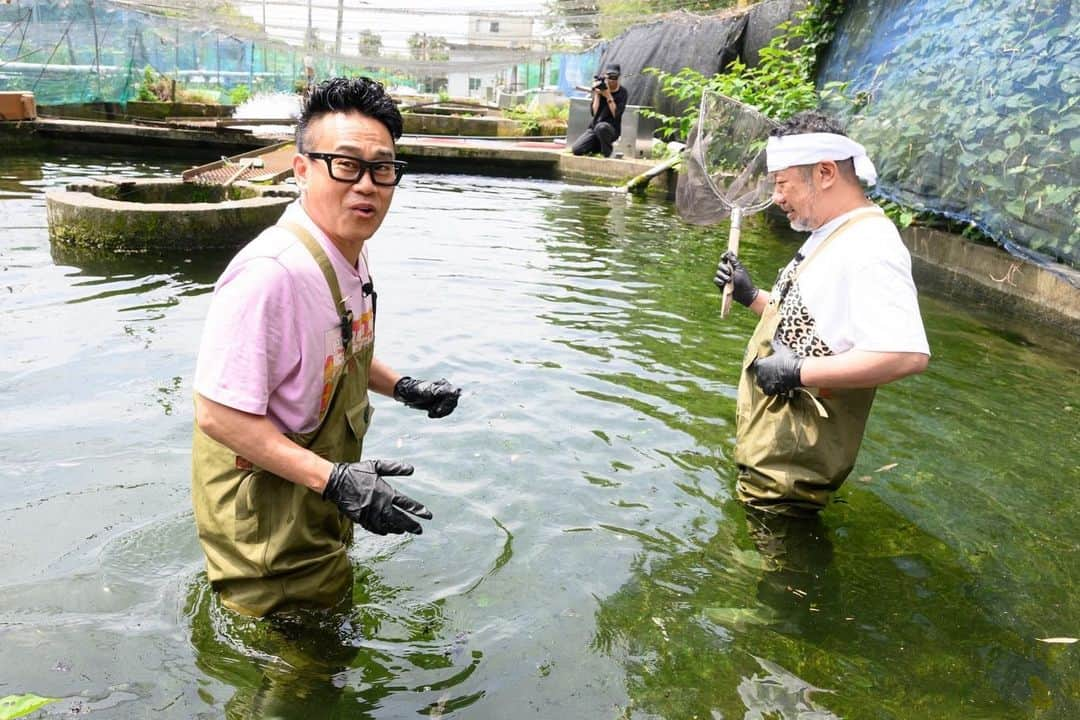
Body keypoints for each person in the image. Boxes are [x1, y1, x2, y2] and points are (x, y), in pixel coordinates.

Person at [191, 76, 462, 617]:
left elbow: (341, 351)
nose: (366, 185)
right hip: (269, 519)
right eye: (345, 164)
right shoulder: (271, 275)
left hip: (316, 497)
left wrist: (404, 388)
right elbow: (216, 414)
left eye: (382, 168)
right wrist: (336, 479)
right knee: (301, 676)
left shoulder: (347, 249)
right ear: (301, 170)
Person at [714, 110, 930, 516]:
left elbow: (906, 354)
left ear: (826, 172)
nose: (776, 197)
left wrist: (797, 374)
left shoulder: (871, 246)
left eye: (782, 184)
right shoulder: (830, 232)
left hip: (793, 471)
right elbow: (814, 327)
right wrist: (753, 296)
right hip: (774, 455)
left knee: (784, 568)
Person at [572, 63, 628, 158]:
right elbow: (594, 113)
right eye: (610, 77)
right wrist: (597, 95)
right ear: (605, 77)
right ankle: (598, 147)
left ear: (619, 77)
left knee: (601, 127)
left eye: (615, 77)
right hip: (594, 128)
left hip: (611, 129)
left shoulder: (622, 92)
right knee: (577, 149)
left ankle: (607, 153)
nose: (612, 80)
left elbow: (616, 114)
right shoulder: (600, 88)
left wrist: (608, 96)